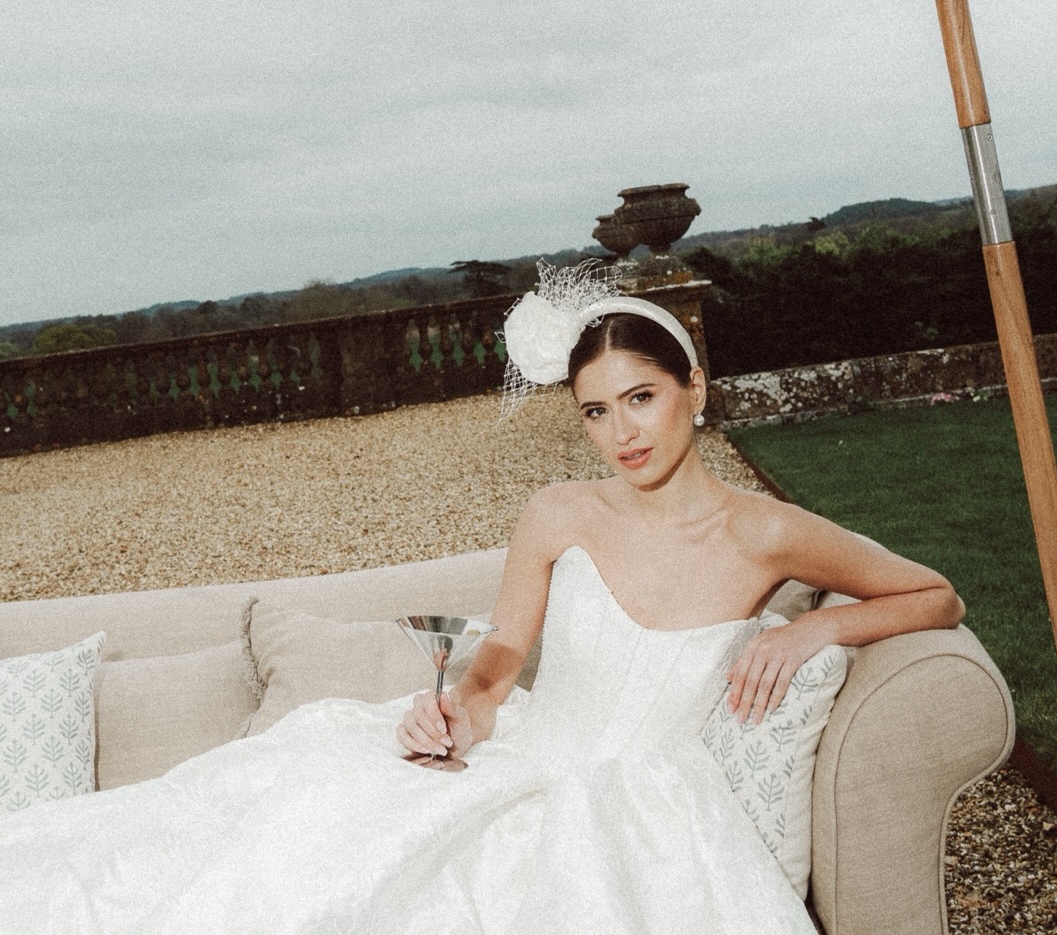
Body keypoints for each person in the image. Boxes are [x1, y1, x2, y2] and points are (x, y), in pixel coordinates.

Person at [0, 264, 964, 934]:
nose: (623, 434)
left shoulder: (768, 532)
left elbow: (937, 596)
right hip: (525, 753)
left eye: (642, 397)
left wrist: (815, 629)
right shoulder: (559, 512)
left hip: (644, 808)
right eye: (596, 411)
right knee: (283, 872)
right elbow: (501, 660)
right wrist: (462, 705)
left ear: (695, 388)